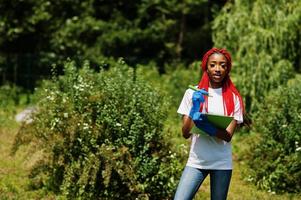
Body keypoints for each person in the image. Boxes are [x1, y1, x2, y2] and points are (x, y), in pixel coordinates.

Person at [174, 47, 245, 200]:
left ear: (228, 69)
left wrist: (208, 127)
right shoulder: (193, 93)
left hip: (222, 164)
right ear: (206, 66)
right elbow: (185, 133)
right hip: (196, 161)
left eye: (222, 65)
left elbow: (228, 136)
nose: (217, 69)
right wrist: (194, 109)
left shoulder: (234, 98)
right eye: (213, 65)